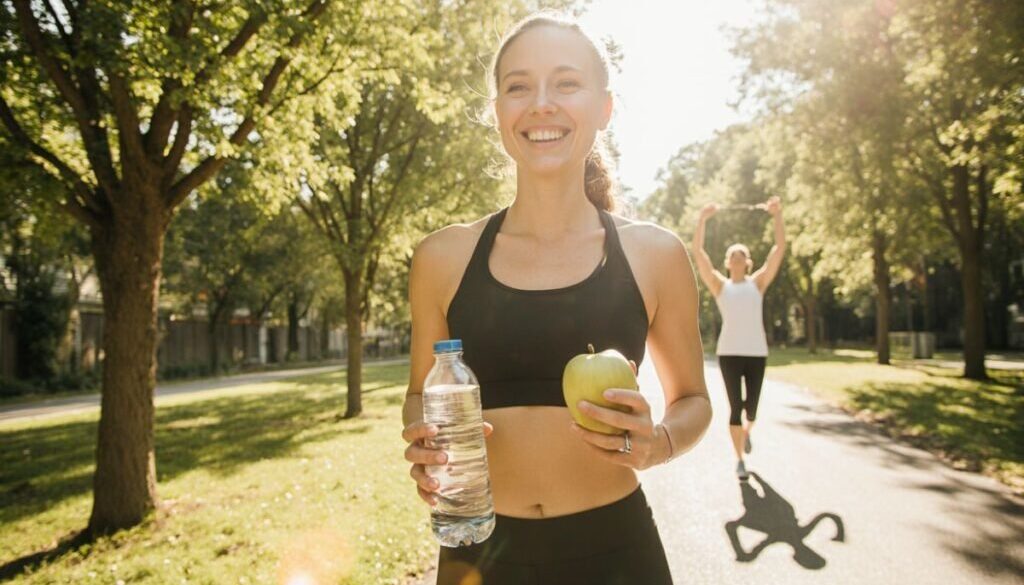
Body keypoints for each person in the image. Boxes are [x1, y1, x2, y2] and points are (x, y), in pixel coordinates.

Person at [401, 13, 712, 585]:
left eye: (566, 83)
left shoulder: (656, 255)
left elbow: (693, 399)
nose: (541, 103)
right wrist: (424, 445)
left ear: (604, 108)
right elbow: (421, 394)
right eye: (519, 86)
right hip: (478, 554)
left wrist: (660, 443)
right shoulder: (441, 258)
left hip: (617, 554)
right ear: (498, 111)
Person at [692, 196, 785, 481]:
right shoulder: (720, 286)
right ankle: (739, 460)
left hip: (756, 353)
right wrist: (702, 219)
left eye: (740, 254)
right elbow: (698, 252)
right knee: (735, 408)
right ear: (728, 262)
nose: (736, 257)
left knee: (752, 411)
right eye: (732, 254)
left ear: (747, 261)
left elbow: (779, 248)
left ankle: (747, 432)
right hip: (729, 353)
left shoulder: (758, 283)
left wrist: (776, 216)